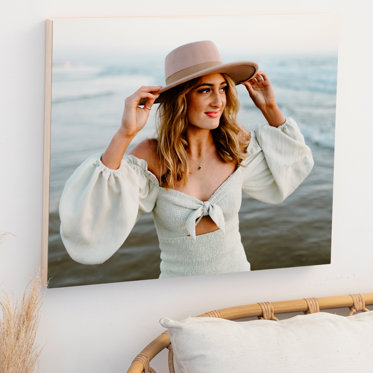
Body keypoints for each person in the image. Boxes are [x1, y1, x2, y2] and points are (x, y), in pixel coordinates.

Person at [59, 40, 314, 278]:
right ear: (182, 98)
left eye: (223, 89)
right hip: (177, 293)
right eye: (205, 90)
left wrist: (270, 108)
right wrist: (125, 134)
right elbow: (93, 214)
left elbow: (293, 166)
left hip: (239, 284)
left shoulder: (235, 145)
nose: (218, 101)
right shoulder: (152, 155)